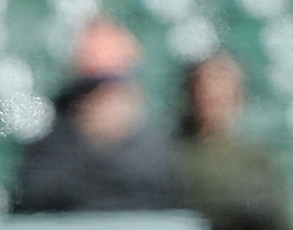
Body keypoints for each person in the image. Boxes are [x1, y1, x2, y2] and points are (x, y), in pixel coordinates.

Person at [13, 18, 183, 217]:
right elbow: (38, 197)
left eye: (116, 87)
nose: (107, 101)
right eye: (97, 88)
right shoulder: (50, 146)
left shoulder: (153, 149)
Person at [175, 51, 290, 230]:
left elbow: (284, 226)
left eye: (223, 92)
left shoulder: (256, 159)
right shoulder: (171, 155)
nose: (213, 98)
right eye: (205, 89)